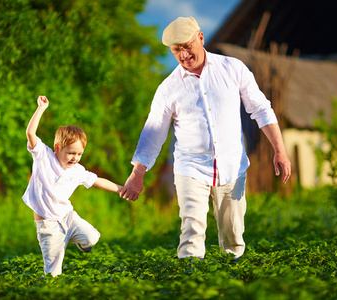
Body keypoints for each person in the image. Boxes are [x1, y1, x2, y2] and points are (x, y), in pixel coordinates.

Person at [120, 17, 291, 261]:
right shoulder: (168, 88)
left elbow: (261, 109)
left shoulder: (232, 68)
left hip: (232, 166)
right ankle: (191, 284)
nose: (183, 54)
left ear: (200, 38)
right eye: (176, 50)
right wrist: (137, 174)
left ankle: (234, 282)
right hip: (190, 168)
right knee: (191, 232)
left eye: (187, 46)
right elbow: (153, 133)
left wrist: (279, 150)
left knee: (233, 236)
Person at [23, 95, 124, 277]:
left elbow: (98, 181)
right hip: (48, 224)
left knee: (92, 238)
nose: (75, 158)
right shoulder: (43, 156)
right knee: (53, 272)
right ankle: (53, 291)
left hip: (68, 217)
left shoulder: (78, 170)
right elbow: (30, 133)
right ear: (57, 148)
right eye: (71, 153)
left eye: (79, 154)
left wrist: (121, 189)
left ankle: (80, 242)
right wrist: (41, 108)